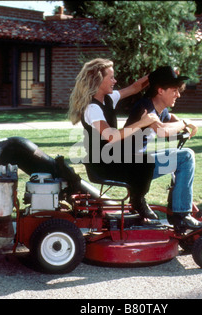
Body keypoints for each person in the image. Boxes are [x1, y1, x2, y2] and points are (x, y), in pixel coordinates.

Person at [68, 58, 161, 224]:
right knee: (146, 162)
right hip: (102, 164)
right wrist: (142, 122)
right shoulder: (92, 108)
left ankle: (137, 199)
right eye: (111, 77)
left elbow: (135, 87)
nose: (115, 81)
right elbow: (110, 135)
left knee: (144, 160)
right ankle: (138, 201)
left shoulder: (109, 98)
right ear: (98, 81)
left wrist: (157, 75)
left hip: (111, 157)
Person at [124, 66, 202, 231]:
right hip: (131, 167)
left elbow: (168, 118)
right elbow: (163, 130)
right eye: (174, 90)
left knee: (182, 157)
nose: (178, 95)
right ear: (160, 91)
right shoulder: (146, 108)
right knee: (186, 156)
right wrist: (185, 122)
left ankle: (178, 213)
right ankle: (181, 215)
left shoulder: (158, 108)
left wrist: (180, 123)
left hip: (138, 163)